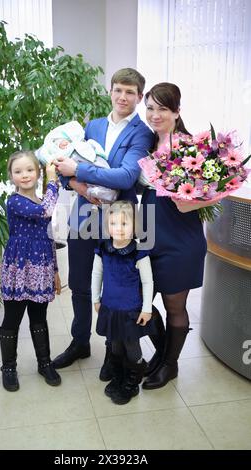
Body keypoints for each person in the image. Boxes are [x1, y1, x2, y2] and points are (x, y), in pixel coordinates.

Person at [52, 68, 154, 380]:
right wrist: (77, 184)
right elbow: (62, 168)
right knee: (80, 284)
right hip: (84, 215)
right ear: (109, 91)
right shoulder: (92, 125)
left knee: (118, 285)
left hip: (121, 219)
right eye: (118, 90)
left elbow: (125, 176)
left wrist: (79, 173)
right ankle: (80, 341)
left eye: (130, 92)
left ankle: (114, 351)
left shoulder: (142, 133)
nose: (123, 97)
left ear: (138, 97)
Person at [140, 82, 208, 389]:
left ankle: (170, 364)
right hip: (149, 234)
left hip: (180, 239)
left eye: (162, 109)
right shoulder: (149, 145)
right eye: (151, 108)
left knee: (174, 307)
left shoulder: (191, 147)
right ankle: (163, 353)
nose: (155, 115)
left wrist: (194, 201)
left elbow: (218, 191)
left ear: (177, 112)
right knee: (137, 299)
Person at [0, 150, 61, 392]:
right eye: (18, 171)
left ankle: (44, 363)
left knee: (39, 317)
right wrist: (53, 180)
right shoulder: (14, 201)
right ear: (11, 176)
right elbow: (45, 211)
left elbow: (49, 237)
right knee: (12, 318)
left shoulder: (40, 200)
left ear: (37, 173)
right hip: (19, 267)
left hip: (42, 266)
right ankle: (8, 368)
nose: (24, 175)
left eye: (29, 170)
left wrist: (55, 271)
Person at [92, 201, 154, 405]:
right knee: (115, 345)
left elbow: (147, 281)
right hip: (110, 307)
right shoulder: (103, 248)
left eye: (124, 224)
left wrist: (146, 309)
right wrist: (96, 299)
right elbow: (97, 274)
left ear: (134, 226)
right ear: (107, 225)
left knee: (131, 345)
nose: (118, 229)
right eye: (113, 223)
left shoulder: (138, 252)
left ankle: (132, 379)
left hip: (130, 310)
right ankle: (119, 375)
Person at [35, 120, 118, 203]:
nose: (63, 144)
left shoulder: (82, 139)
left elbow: (126, 177)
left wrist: (76, 170)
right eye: (57, 143)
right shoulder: (92, 126)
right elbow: (57, 167)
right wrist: (71, 182)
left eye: (61, 140)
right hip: (87, 202)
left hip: (105, 177)